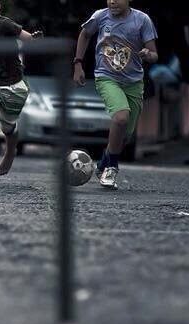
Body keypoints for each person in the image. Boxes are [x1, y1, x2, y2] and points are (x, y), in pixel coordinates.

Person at [73, 0, 158, 189]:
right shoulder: (100, 16)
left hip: (134, 83)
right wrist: (78, 63)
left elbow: (154, 54)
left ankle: (103, 162)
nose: (112, 1)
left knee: (124, 135)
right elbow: (85, 34)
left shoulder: (142, 20)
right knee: (120, 118)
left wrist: (147, 54)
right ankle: (111, 167)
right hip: (106, 77)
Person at [0, 0, 42, 184]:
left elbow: (27, 38)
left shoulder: (5, 23)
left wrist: (34, 38)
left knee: (8, 126)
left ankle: (11, 151)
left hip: (14, 85)